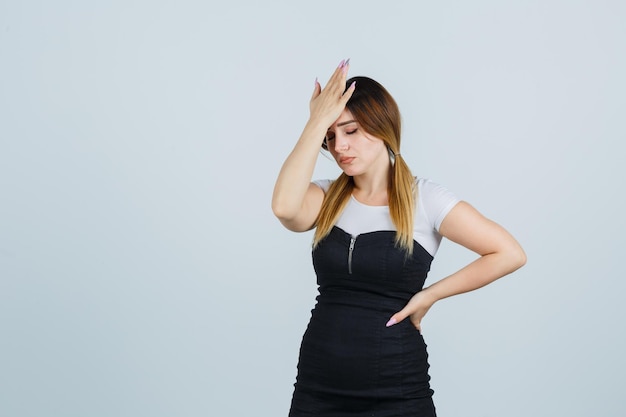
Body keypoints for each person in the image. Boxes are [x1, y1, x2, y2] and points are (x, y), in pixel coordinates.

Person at [271, 59, 527, 417]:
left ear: (382, 128)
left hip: (396, 388)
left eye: (351, 131)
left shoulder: (425, 199)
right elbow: (284, 208)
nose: (339, 146)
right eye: (330, 137)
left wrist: (430, 295)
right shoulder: (325, 197)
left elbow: (509, 252)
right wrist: (315, 122)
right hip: (318, 385)